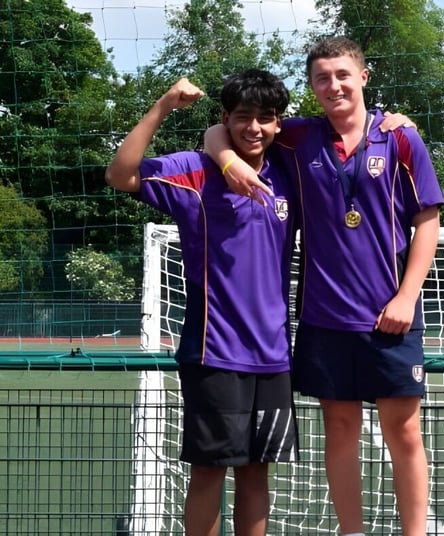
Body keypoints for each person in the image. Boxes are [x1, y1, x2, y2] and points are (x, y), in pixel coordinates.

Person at [205, 37, 444, 536]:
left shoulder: (400, 138)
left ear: (363, 76)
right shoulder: (298, 137)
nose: (332, 85)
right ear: (312, 87)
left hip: (391, 315)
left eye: (341, 74)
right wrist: (228, 162)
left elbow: (427, 220)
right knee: (340, 430)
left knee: (404, 432)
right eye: (321, 78)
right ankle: (350, 533)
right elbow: (217, 131)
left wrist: (407, 296)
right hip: (324, 316)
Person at [105, 70, 297, 536]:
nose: (254, 128)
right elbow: (120, 174)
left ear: (278, 123)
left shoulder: (290, 171)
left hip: (274, 356)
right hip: (215, 353)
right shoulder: (193, 173)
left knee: (256, 471)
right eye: (243, 118)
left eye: (265, 119)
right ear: (225, 119)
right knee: (210, 471)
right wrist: (164, 105)